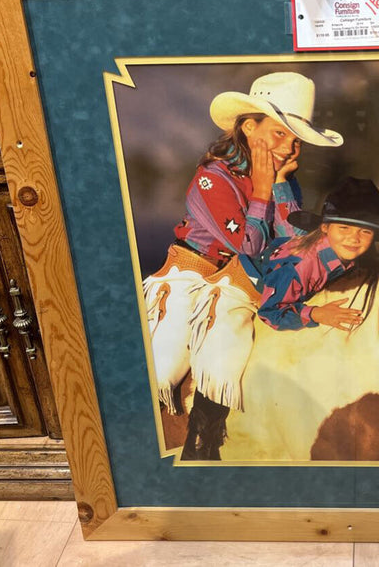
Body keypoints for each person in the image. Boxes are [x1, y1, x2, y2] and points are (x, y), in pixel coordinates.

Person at [144, 71, 343, 419]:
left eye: (297, 141)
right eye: (280, 133)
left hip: (244, 281)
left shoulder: (285, 181)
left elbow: (294, 244)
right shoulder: (212, 178)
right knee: (165, 366)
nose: (289, 148)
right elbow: (248, 244)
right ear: (249, 126)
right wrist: (265, 189)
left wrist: (279, 185)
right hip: (190, 276)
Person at [181, 176, 379, 460]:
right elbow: (271, 310)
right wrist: (315, 313)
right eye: (345, 228)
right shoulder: (303, 264)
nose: (354, 238)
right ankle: (202, 438)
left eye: (365, 232)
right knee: (228, 352)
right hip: (242, 288)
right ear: (325, 228)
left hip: (275, 284)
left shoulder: (341, 252)